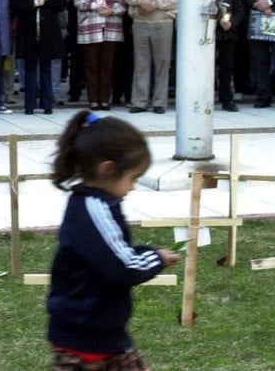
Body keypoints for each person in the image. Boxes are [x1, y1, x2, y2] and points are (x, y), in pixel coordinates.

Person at [46, 111, 178, 370]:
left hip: (99, 331)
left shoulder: (94, 204)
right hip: (86, 337)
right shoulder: (94, 209)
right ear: (107, 169)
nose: (133, 187)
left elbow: (113, 254)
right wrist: (156, 258)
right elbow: (122, 267)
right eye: (133, 178)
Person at [119, 0, 178, 114]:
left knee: (162, 63)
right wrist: (140, 0)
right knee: (141, 62)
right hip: (140, 20)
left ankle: (159, 102)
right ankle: (140, 101)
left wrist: (153, 3)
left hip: (162, 19)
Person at [11, 0, 67, 114]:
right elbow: (15, 4)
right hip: (28, 31)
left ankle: (47, 104)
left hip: (48, 32)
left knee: (46, 68)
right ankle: (29, 105)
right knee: (29, 68)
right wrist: (34, 2)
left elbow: (61, 4)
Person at [71, 0, 126, 111]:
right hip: (90, 25)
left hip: (112, 25)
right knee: (91, 65)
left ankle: (104, 99)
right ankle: (93, 99)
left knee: (107, 65)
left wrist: (113, 10)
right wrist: (95, 5)